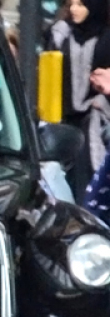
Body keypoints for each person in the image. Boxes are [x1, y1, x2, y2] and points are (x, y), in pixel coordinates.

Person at [49, 0, 110, 196]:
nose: (74, 10)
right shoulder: (62, 35)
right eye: (72, 4)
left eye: (81, 5)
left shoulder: (106, 39)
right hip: (63, 122)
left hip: (98, 124)